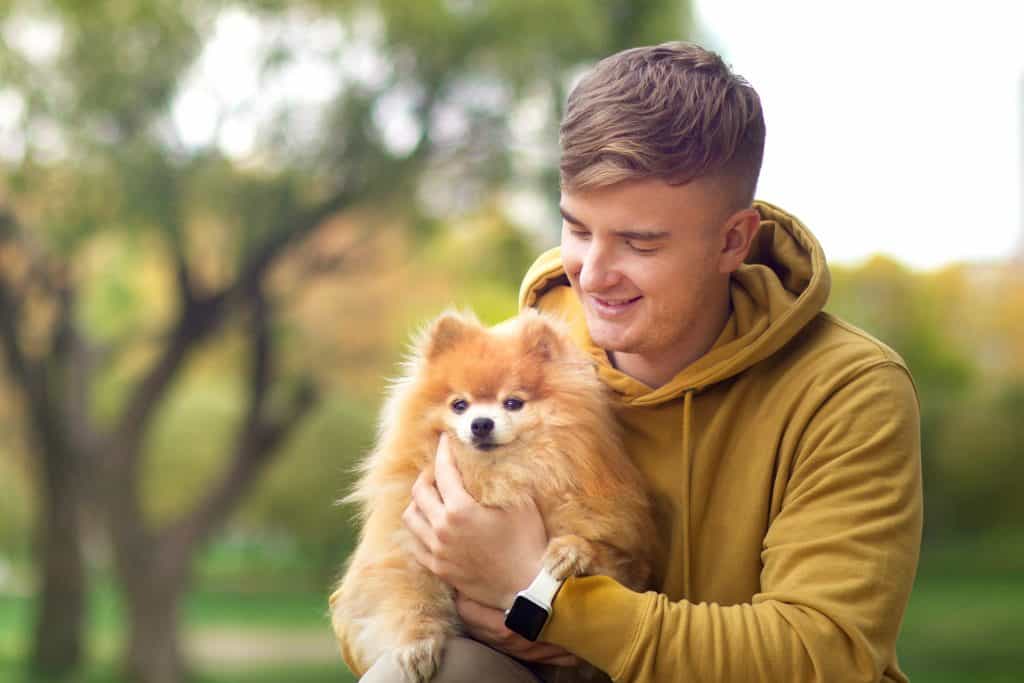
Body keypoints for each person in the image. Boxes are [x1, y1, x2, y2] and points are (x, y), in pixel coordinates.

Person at [336, 41, 923, 682]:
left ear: (732, 240)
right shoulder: (515, 365)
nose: (595, 274)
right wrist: (449, 604)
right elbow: (364, 604)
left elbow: (824, 656)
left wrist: (550, 604)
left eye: (640, 242)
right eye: (579, 230)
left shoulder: (847, 391)